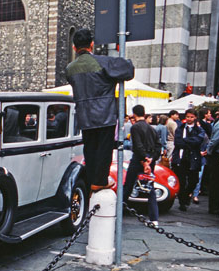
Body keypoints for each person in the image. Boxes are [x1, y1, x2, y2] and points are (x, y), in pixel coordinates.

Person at [65, 28, 134, 192]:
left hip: (85, 116)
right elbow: (128, 70)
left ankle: (91, 181)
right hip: (105, 115)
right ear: (92, 44)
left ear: (74, 48)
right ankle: (100, 181)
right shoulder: (103, 62)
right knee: (104, 150)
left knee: (90, 150)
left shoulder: (70, 68)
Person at [123, 105, 162, 226]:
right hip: (151, 160)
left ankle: (117, 213)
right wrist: (151, 159)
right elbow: (158, 146)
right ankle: (154, 218)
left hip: (138, 160)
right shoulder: (151, 128)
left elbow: (137, 146)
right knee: (150, 188)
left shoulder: (135, 128)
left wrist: (144, 160)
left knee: (128, 186)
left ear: (134, 114)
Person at [171, 109, 206, 212]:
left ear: (195, 117)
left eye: (191, 117)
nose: (189, 119)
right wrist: (190, 143)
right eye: (187, 117)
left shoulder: (199, 130)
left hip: (193, 158)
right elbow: (178, 142)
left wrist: (186, 140)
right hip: (181, 157)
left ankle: (187, 195)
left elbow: (198, 140)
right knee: (181, 181)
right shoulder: (180, 128)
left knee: (193, 180)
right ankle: (183, 202)